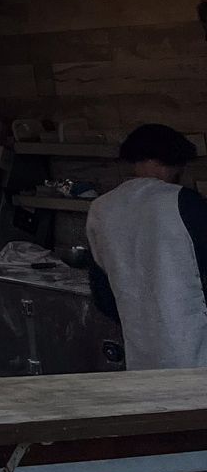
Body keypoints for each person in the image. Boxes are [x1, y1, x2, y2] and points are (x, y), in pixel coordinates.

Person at [88, 124, 207, 369]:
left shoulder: (101, 208)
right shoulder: (183, 202)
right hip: (194, 345)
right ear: (173, 161)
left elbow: (102, 292)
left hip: (140, 350)